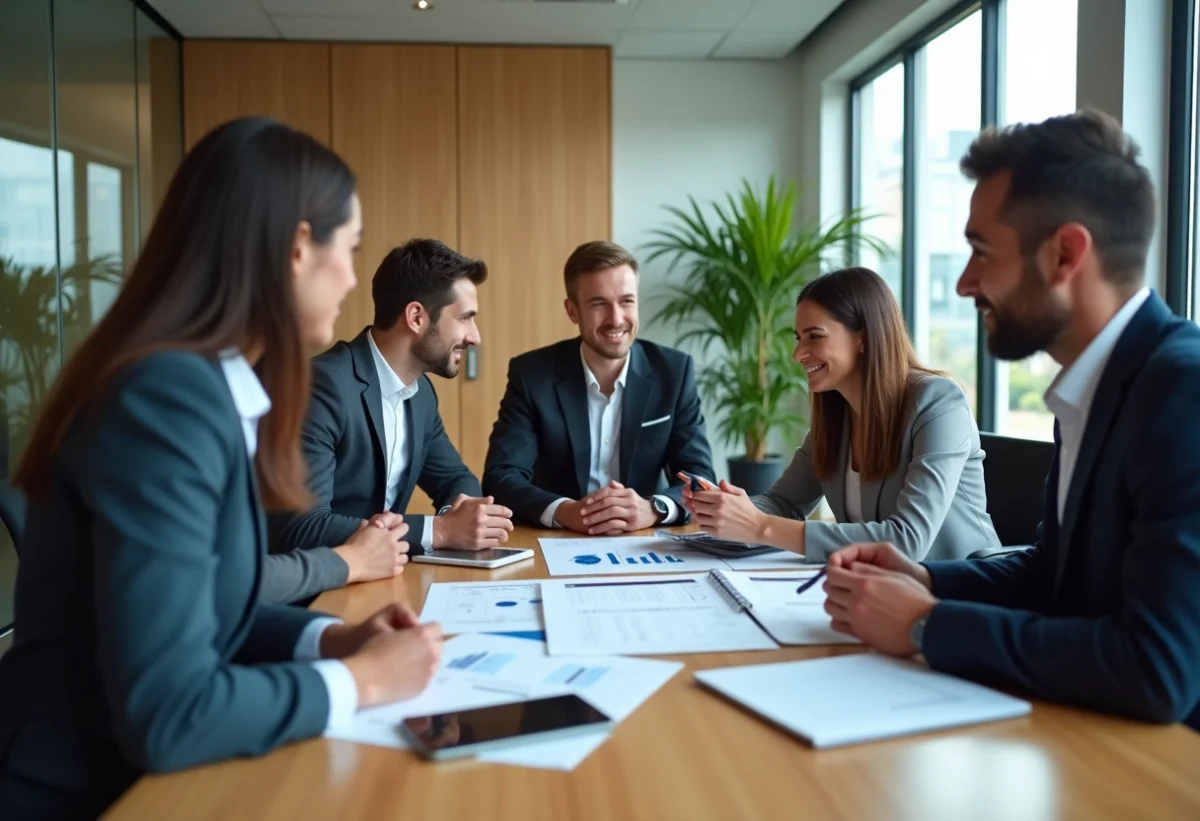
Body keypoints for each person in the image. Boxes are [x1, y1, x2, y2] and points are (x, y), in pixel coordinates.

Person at [0, 118, 444, 820]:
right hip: (86, 791)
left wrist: (331, 637)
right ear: (298, 248)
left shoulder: (203, 385)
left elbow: (205, 609)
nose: (356, 278)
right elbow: (170, 712)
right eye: (350, 248)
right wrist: (358, 681)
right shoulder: (165, 400)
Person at [823, 109, 1200, 730]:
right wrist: (925, 578)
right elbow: (1055, 571)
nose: (967, 283)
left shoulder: (1180, 393)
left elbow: (1156, 668)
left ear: (1064, 254)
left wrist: (925, 625)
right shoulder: (1094, 388)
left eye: (981, 251)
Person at [683, 267, 1000, 563]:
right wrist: (724, 506)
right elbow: (785, 504)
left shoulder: (938, 402)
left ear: (862, 337)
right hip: (880, 591)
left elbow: (908, 540)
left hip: (963, 593)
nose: (798, 354)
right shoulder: (837, 413)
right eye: (798, 337)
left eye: (814, 336)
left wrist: (759, 526)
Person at [264, 239, 513, 604]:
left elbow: (457, 479)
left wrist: (457, 514)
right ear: (416, 317)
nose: (475, 337)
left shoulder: (421, 394)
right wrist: (438, 531)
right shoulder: (322, 388)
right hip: (314, 598)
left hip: (382, 585)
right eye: (464, 318)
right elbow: (303, 526)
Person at [483, 240, 716, 534]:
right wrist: (564, 511)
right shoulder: (532, 375)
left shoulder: (674, 372)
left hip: (644, 539)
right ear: (572, 311)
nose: (616, 318)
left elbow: (699, 476)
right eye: (598, 304)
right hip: (559, 538)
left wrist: (653, 508)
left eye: (626, 301)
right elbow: (501, 477)